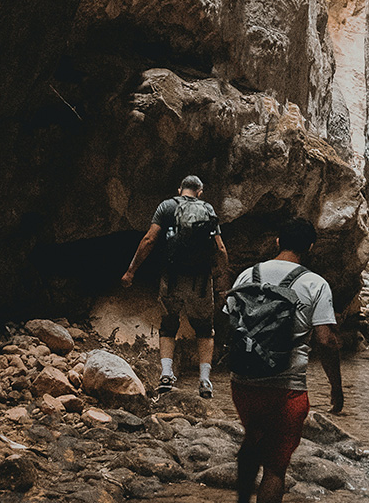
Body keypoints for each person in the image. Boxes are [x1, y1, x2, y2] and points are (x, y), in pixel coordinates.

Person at [227, 217, 344, 503]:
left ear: (277, 241)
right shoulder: (315, 284)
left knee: (252, 438)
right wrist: (336, 387)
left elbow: (231, 320)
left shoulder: (247, 275)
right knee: (276, 467)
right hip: (286, 386)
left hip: (243, 381)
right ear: (311, 247)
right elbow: (325, 340)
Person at [121, 175, 230, 398]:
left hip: (171, 279)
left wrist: (131, 271)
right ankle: (205, 380)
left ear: (180, 189)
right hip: (200, 281)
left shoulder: (167, 206)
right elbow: (220, 249)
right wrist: (221, 280)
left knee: (168, 325)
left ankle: (166, 375)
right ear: (200, 191)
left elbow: (149, 240)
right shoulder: (208, 209)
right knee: (204, 329)